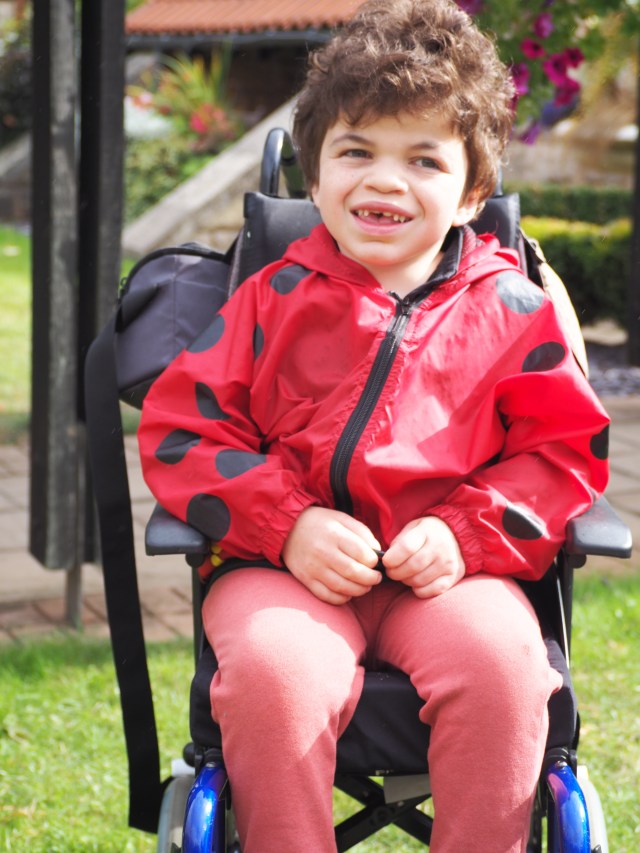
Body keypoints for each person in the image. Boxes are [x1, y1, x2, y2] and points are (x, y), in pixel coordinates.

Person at [138, 0, 610, 849]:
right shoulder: (269, 300)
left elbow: (563, 452)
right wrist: (286, 524)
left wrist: (467, 532)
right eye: (356, 152)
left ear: (470, 193)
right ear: (314, 178)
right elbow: (185, 433)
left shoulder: (513, 310)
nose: (385, 180)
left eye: (422, 159)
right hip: (284, 568)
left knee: (504, 667)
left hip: (449, 573)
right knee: (278, 675)